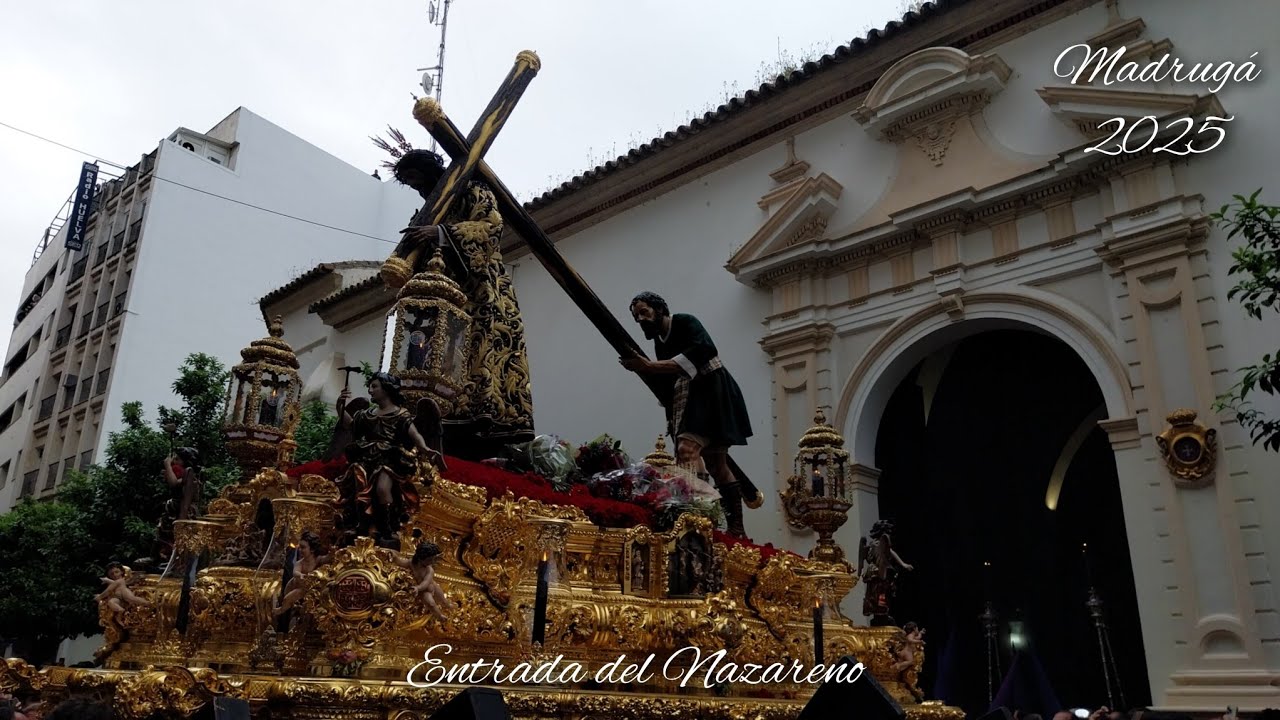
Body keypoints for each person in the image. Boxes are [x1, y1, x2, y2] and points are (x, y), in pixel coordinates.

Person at [389, 149, 534, 459]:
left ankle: (481, 429)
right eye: (410, 184)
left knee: (477, 361)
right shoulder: (426, 210)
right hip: (438, 302)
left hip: (478, 296)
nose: (417, 189)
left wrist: (441, 234)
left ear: (430, 172)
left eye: (417, 180)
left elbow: (490, 228)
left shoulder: (472, 191)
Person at [619, 291, 753, 537]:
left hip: (710, 389)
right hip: (689, 396)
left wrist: (648, 366)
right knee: (712, 460)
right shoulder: (660, 342)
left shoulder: (685, 322)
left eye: (644, 312)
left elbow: (704, 350)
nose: (641, 320)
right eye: (636, 316)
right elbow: (669, 377)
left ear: (660, 309)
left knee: (689, 452)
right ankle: (716, 522)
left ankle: (702, 519)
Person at [334, 372, 435, 546]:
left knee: (382, 489)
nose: (370, 390)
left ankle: (388, 528)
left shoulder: (401, 415)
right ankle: (362, 525)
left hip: (389, 459)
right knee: (360, 490)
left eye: (374, 387)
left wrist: (424, 448)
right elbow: (350, 425)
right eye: (370, 386)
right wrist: (339, 406)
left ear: (387, 389)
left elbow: (415, 434)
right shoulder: (367, 414)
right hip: (366, 457)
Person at [273, 531, 330, 617]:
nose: (300, 550)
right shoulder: (300, 563)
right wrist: (300, 575)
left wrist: (332, 553)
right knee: (288, 598)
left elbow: (327, 559)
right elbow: (295, 572)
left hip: (315, 590)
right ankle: (282, 609)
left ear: (312, 549)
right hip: (300, 587)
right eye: (299, 547)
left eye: (303, 547)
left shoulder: (318, 560)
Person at [393, 541, 449, 621]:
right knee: (431, 603)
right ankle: (440, 616)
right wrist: (395, 557)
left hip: (431, 586)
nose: (432, 562)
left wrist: (418, 588)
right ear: (420, 558)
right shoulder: (411, 563)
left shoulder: (429, 569)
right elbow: (401, 563)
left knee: (444, 600)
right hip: (425, 591)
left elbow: (426, 582)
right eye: (430, 560)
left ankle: (451, 607)